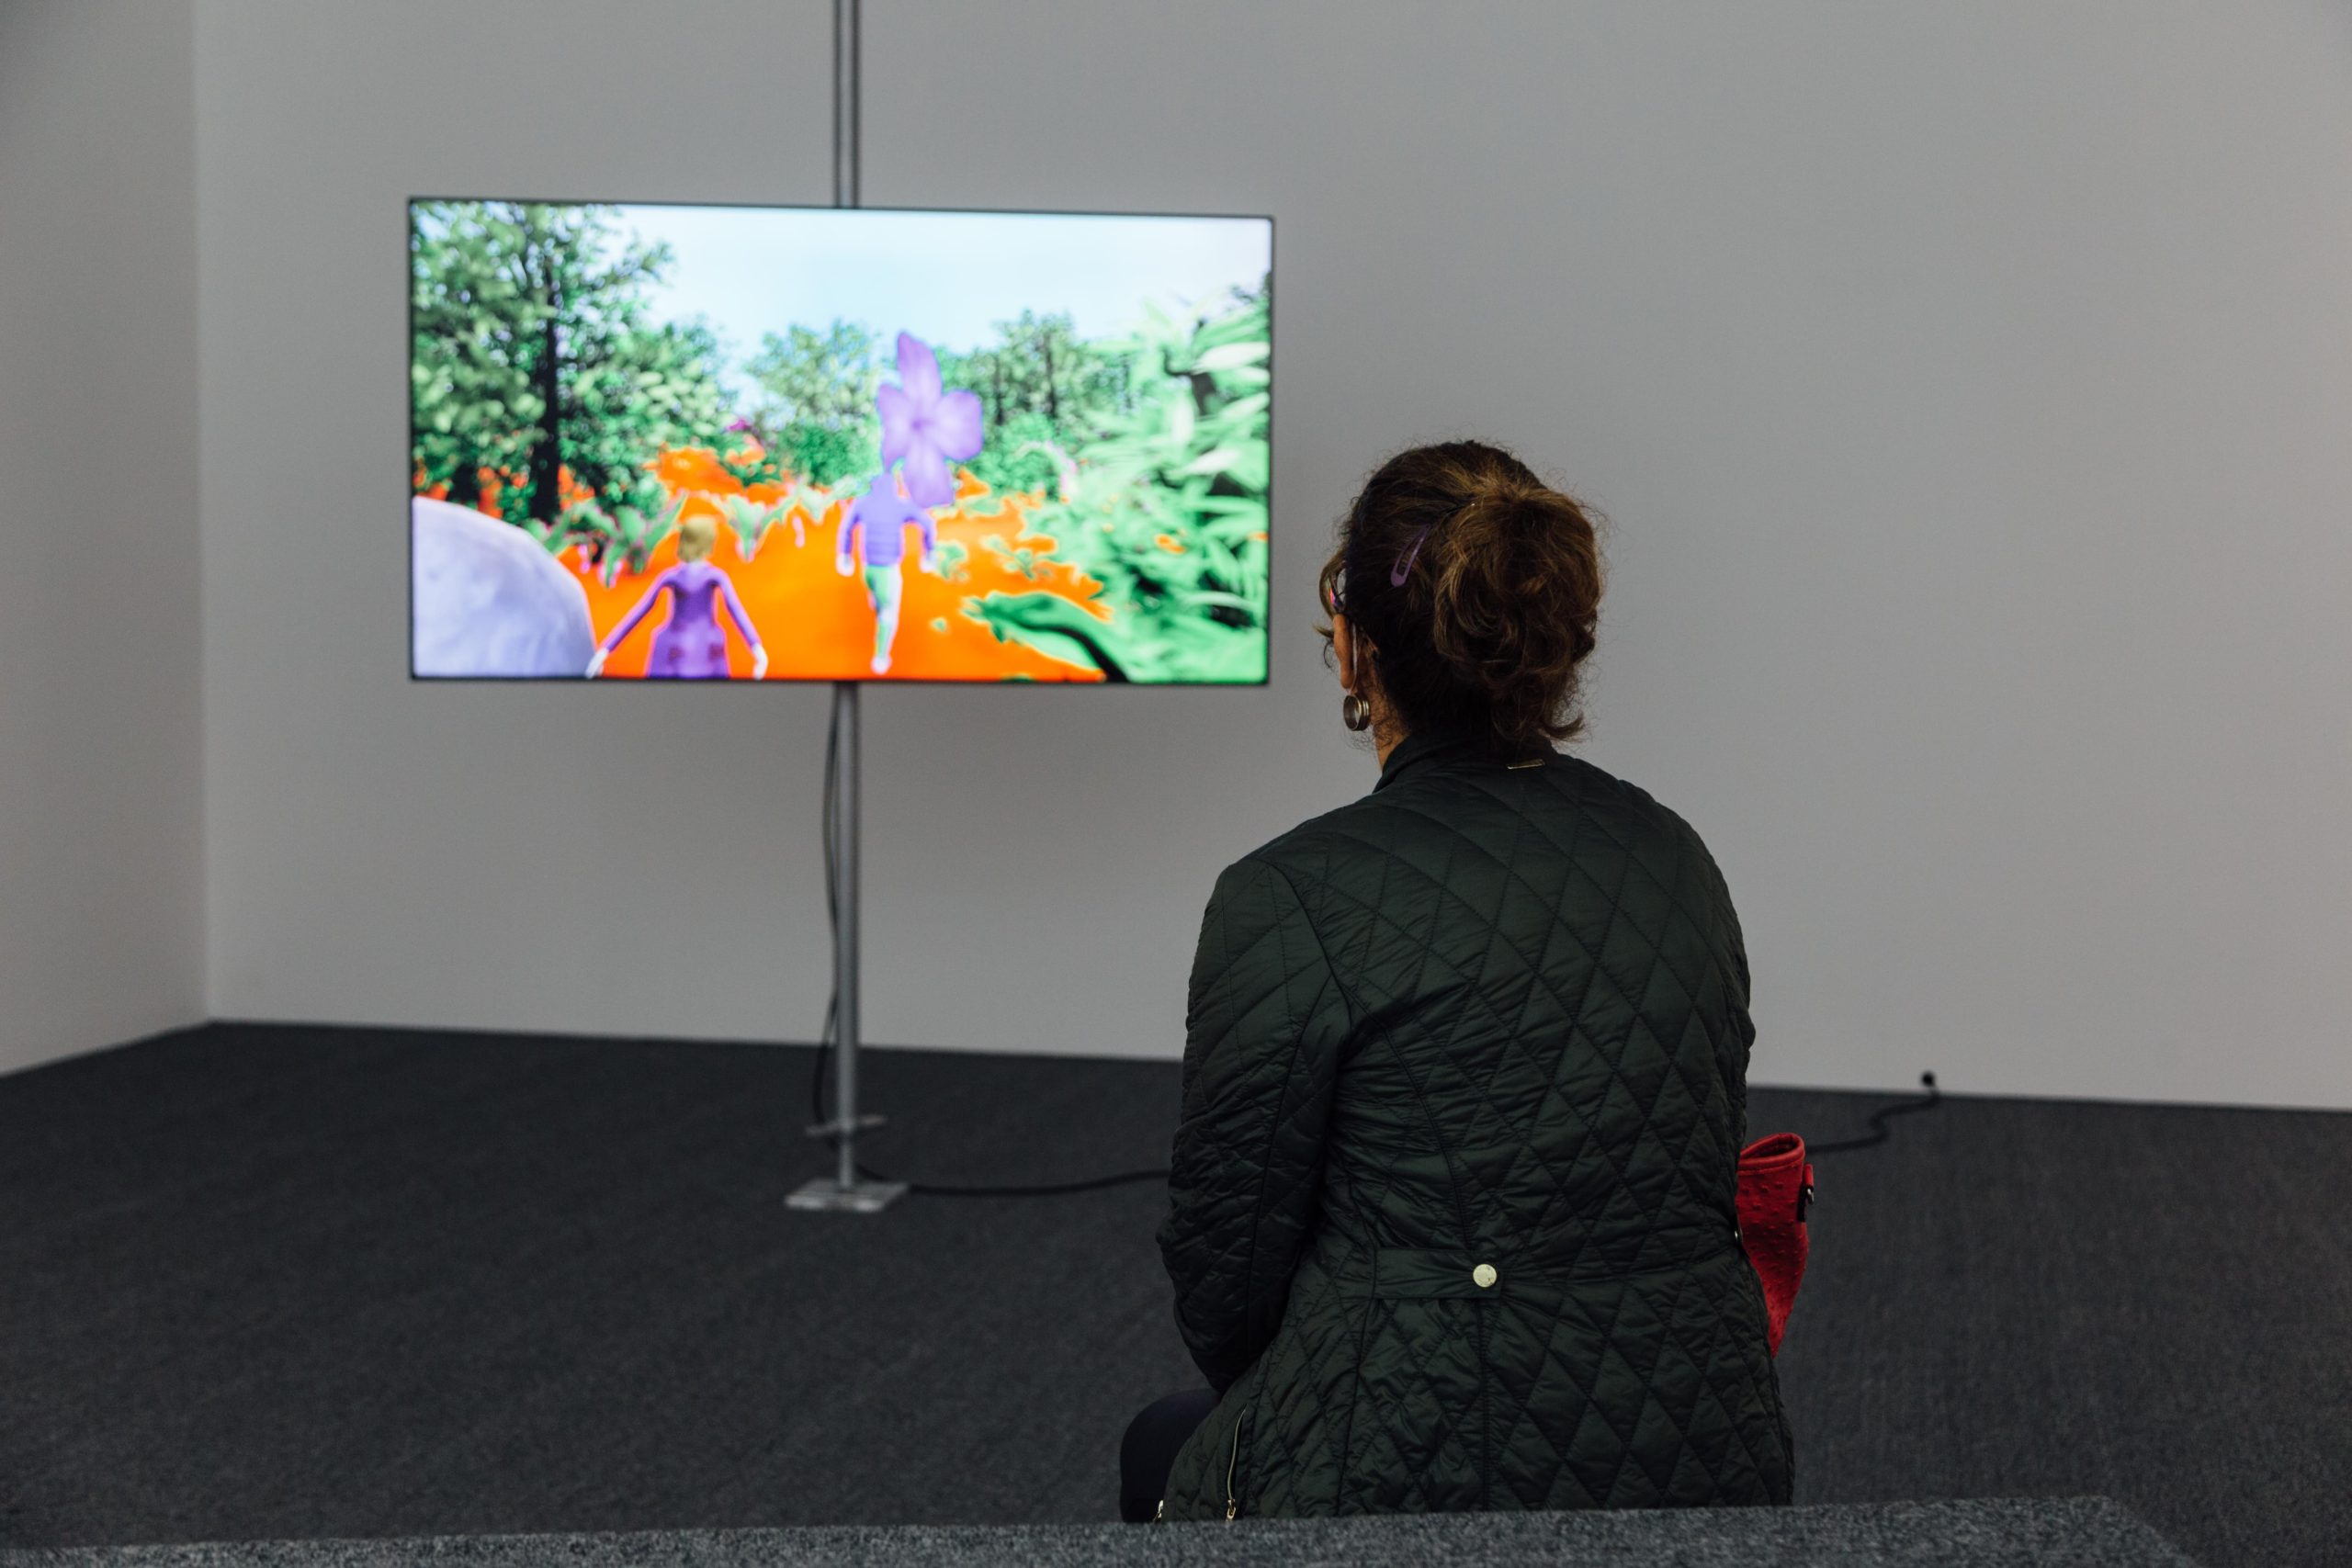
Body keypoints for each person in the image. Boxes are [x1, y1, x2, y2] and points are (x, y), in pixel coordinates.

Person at [1125, 441, 1792, 1522]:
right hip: (1706, 1461)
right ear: (1552, 648)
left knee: (1160, 1444)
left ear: (1353, 650)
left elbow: (1226, 1271)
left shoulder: (1291, 894)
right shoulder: (1671, 854)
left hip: (1404, 1472)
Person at [586, 512, 767, 681]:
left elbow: (639, 612)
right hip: (706, 648)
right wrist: (756, 648)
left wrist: (605, 650)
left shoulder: (672, 576)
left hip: (673, 649)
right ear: (708, 543)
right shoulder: (715, 576)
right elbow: (736, 610)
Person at [835, 470, 938, 675]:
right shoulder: (900, 505)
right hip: (887, 570)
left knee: (878, 601)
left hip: (867, 568)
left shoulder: (862, 503)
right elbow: (928, 524)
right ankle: (881, 657)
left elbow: (846, 528)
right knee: (889, 612)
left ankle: (877, 609)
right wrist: (929, 553)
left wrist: (844, 555)